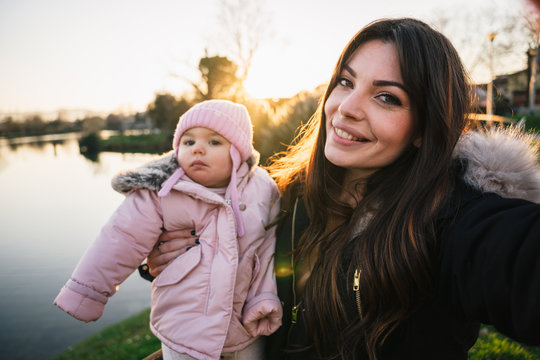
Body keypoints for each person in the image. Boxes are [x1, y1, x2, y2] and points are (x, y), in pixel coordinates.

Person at [145, 18, 540, 359]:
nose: (347, 107)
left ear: (424, 128)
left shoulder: (449, 220)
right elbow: (215, 226)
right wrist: (180, 250)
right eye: (346, 81)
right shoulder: (282, 195)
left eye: (387, 97)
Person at [54, 100, 282, 360]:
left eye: (214, 142)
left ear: (239, 151)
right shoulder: (161, 192)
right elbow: (120, 237)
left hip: (243, 329)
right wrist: (87, 291)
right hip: (182, 329)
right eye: (188, 142)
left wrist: (263, 298)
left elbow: (267, 250)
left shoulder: (262, 190)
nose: (198, 149)